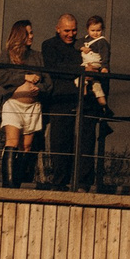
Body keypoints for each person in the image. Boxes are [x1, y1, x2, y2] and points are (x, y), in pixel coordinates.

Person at [0, 20, 43, 187]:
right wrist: (24, 77)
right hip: (14, 104)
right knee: (12, 142)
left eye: (32, 32)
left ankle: (18, 183)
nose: (32, 36)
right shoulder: (8, 54)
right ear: (20, 35)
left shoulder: (37, 56)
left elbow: (48, 81)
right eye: (28, 33)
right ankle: (7, 185)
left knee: (27, 146)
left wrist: (39, 88)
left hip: (33, 107)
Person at [38, 13, 84, 188]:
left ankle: (77, 182)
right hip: (59, 100)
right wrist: (80, 69)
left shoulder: (80, 46)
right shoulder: (49, 45)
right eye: (66, 30)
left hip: (79, 100)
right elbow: (53, 68)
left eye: (74, 30)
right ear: (57, 29)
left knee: (78, 143)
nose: (70, 34)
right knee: (59, 142)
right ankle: (59, 182)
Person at [77, 14, 116, 191]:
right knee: (83, 82)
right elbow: (78, 46)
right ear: (87, 30)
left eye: (98, 30)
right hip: (85, 68)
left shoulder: (102, 42)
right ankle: (88, 95)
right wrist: (82, 50)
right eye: (93, 30)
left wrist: (105, 66)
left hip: (96, 67)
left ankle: (103, 106)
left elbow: (105, 55)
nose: (95, 33)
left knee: (98, 88)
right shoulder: (85, 40)